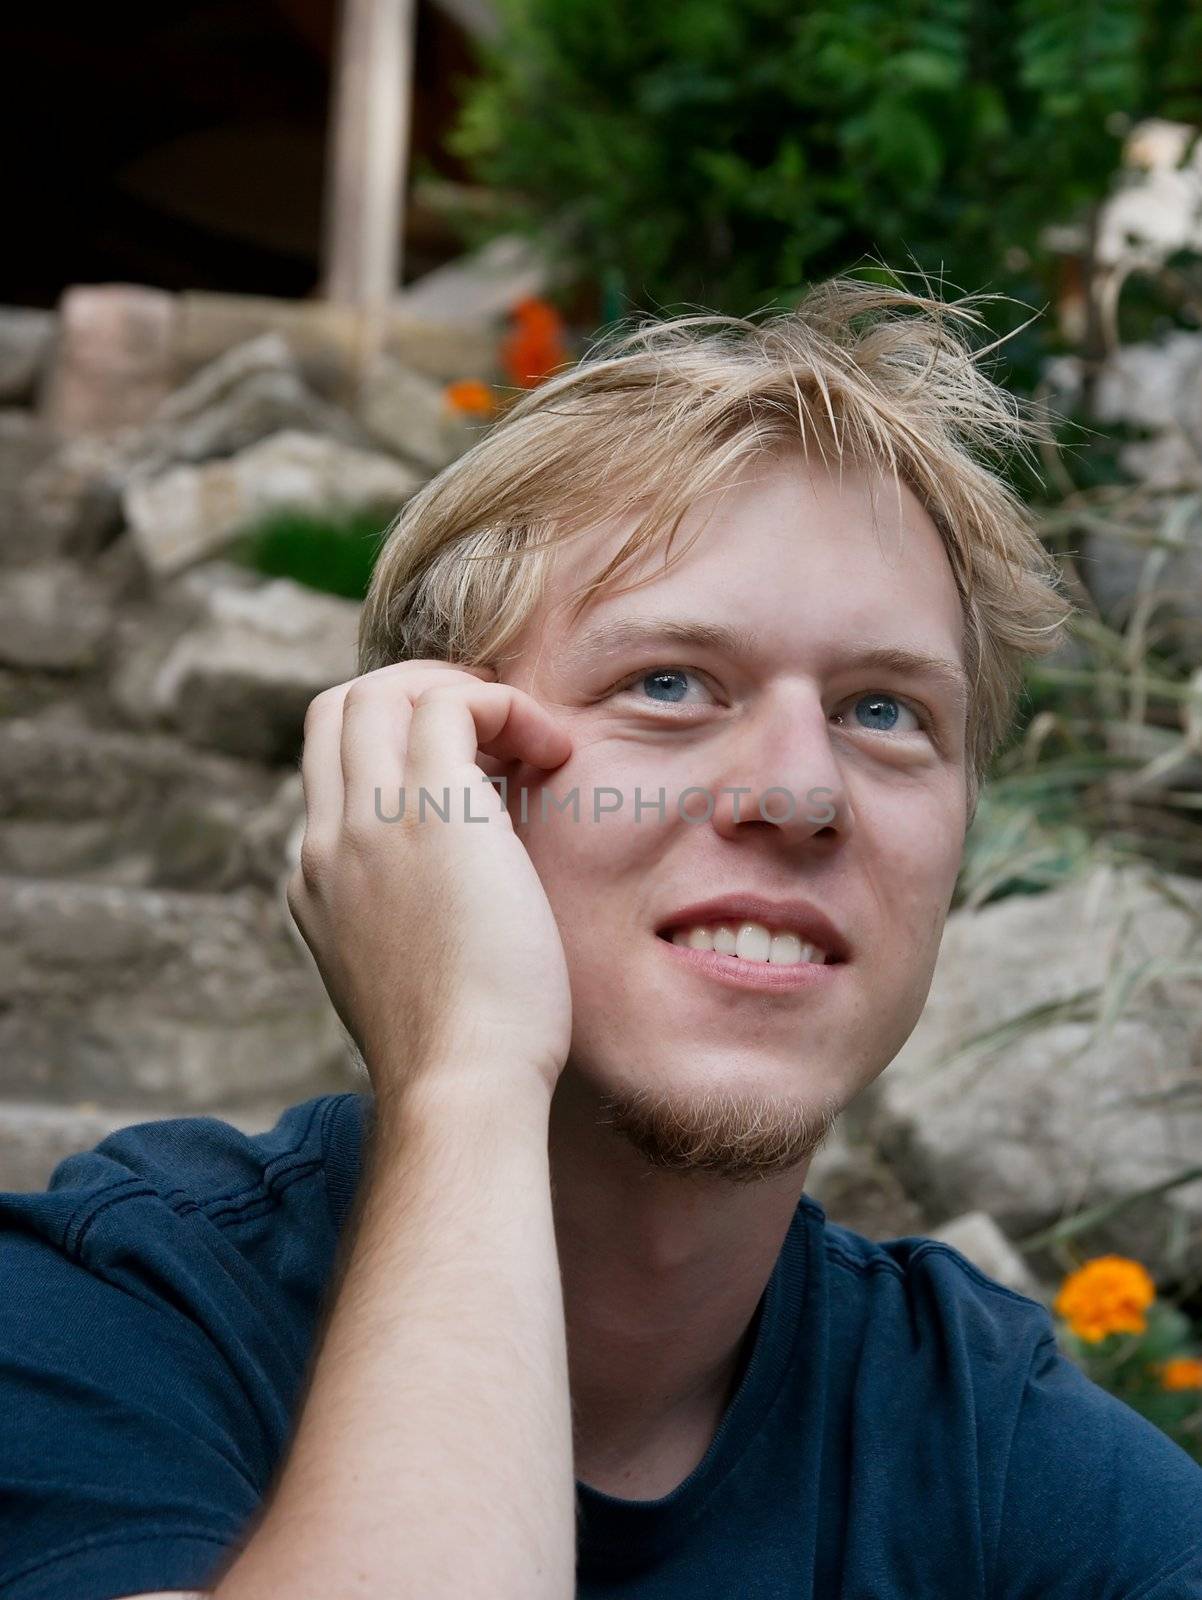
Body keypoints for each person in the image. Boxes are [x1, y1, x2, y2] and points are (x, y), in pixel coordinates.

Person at [2, 279, 1200, 1600]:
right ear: (444, 775)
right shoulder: (111, 1314)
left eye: (883, 710)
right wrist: (464, 1076)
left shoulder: (997, 1453)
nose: (800, 794)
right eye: (669, 684)